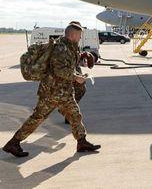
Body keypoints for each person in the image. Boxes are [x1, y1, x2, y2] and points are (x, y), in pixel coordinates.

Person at [3, 22, 100, 157]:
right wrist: (76, 78)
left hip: (63, 91)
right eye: (79, 35)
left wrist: (82, 56)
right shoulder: (61, 49)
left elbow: (68, 64)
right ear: (72, 35)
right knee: (37, 118)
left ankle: (82, 142)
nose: (80, 38)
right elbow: (59, 70)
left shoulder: (70, 47)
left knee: (75, 115)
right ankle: (13, 143)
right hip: (52, 92)